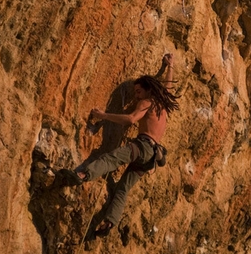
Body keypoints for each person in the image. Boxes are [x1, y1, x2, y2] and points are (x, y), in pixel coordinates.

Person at [61, 54, 178, 236]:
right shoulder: (162, 103)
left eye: (139, 91)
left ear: (148, 90)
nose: (136, 95)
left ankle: (83, 174)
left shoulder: (146, 102)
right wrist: (170, 66)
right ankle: (109, 222)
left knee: (110, 159)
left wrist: (104, 116)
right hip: (153, 157)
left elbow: (131, 119)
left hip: (142, 146)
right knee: (123, 188)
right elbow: (168, 86)